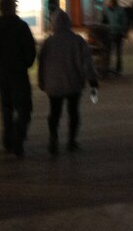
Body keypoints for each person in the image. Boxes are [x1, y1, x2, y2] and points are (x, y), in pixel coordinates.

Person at [38, 10, 98, 154]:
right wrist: (92, 79)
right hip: (74, 83)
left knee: (54, 112)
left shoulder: (48, 42)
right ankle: (71, 140)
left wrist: (41, 80)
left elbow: (41, 63)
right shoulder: (77, 41)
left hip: (53, 84)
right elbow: (86, 63)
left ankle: (53, 139)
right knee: (73, 112)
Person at [0, 0, 36, 157]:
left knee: (6, 109)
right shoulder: (21, 26)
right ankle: (18, 138)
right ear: (12, 8)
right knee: (24, 108)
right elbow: (30, 50)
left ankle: (7, 140)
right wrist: (25, 64)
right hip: (19, 73)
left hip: (2, 74)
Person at [102, 0, 128, 75]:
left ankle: (118, 68)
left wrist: (124, 31)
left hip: (118, 33)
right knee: (108, 51)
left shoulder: (121, 10)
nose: (112, 2)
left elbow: (125, 21)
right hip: (110, 32)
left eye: (113, 1)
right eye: (111, 1)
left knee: (118, 52)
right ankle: (107, 67)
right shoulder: (107, 10)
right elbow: (104, 20)